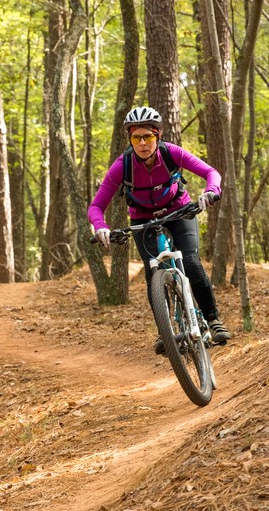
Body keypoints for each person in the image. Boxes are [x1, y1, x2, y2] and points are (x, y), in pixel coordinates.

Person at [87, 106, 231, 354]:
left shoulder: (171, 153)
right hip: (142, 219)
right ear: (130, 139)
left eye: (148, 137)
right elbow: (97, 206)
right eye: (136, 138)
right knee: (153, 275)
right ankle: (165, 331)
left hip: (179, 212)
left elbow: (211, 172)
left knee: (192, 262)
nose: (142, 143)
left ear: (158, 135)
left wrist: (211, 190)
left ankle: (214, 319)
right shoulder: (122, 166)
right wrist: (101, 227)